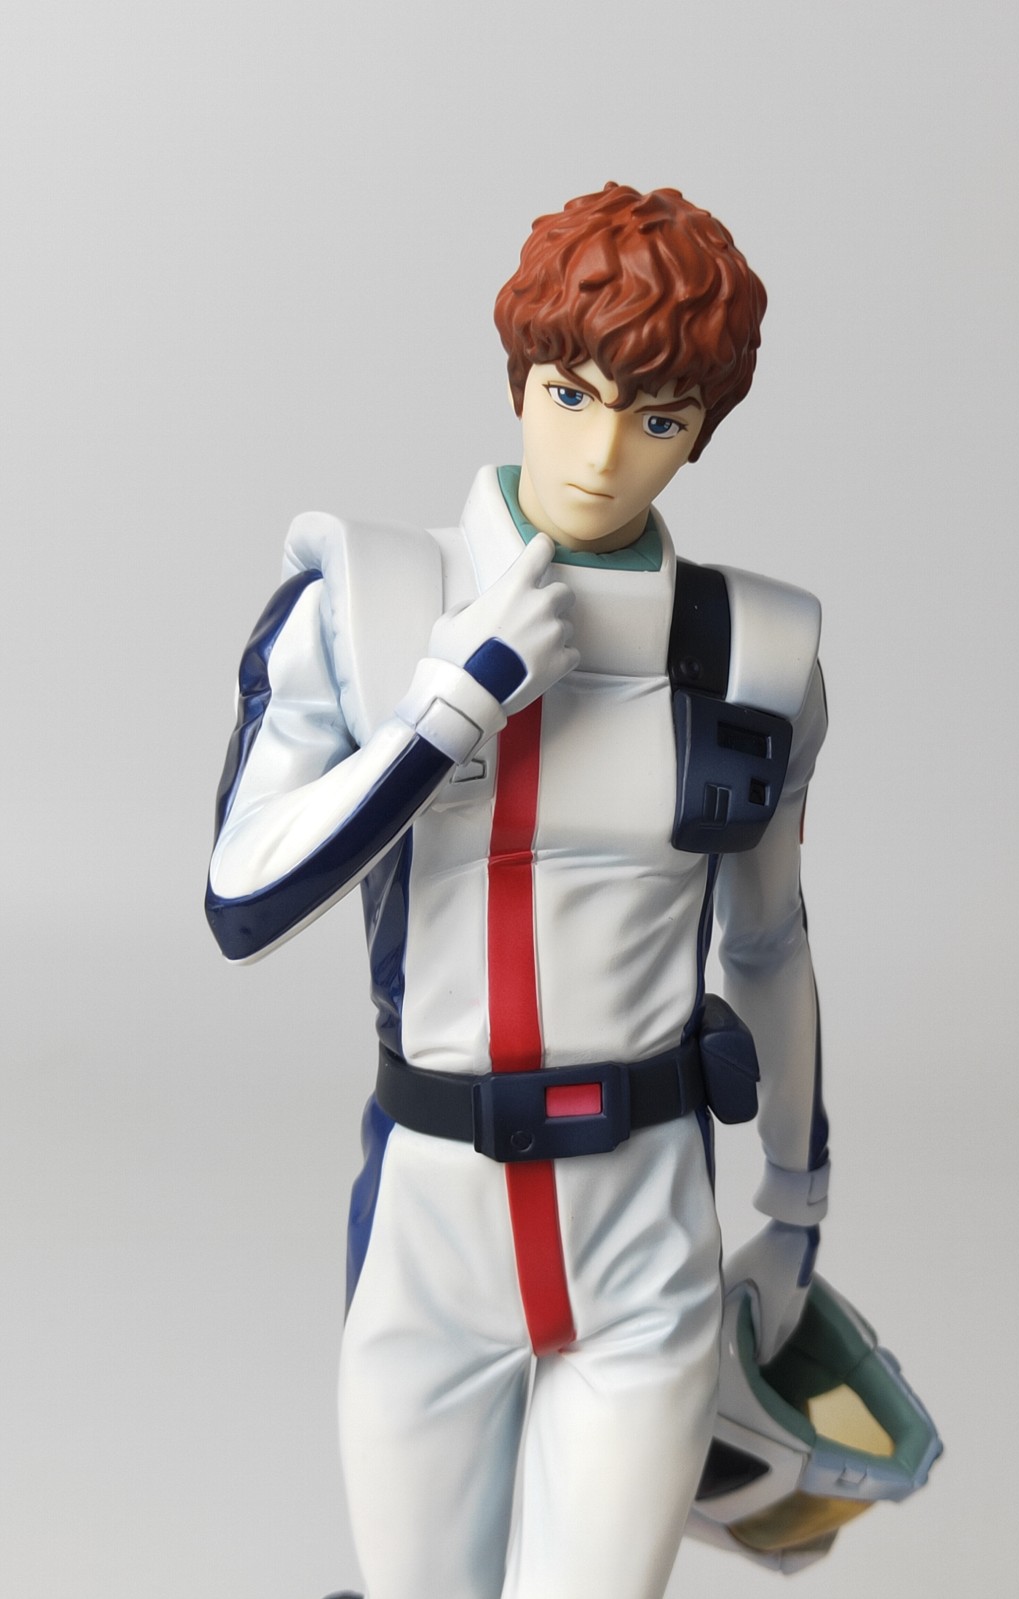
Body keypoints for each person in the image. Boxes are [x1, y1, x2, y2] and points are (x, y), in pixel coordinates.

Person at [206, 183, 829, 1599]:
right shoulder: (368, 603)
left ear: (702, 431)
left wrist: (797, 1204)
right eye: (570, 395)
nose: (602, 455)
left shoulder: (759, 651)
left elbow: (770, 945)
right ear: (519, 380)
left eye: (657, 417)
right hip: (434, 1228)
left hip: (646, 1227)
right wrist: (451, 702)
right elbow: (242, 899)